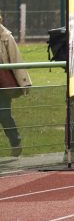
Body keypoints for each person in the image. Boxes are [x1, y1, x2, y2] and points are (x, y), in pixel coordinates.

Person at [0, 14, 30, 156]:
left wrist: (25, 82)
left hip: (3, 85)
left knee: (4, 115)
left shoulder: (6, 36)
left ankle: (15, 141)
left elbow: (16, 60)